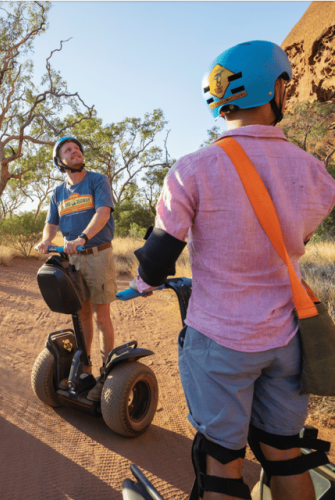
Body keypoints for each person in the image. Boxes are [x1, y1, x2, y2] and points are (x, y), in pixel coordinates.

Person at [132, 41, 335, 500]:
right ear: (276, 90)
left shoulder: (193, 169)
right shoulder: (315, 173)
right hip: (287, 337)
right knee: (285, 451)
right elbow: (296, 240)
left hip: (220, 339)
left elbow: (159, 255)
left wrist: (142, 283)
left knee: (221, 461)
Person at [37, 136, 117, 402]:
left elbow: (102, 213)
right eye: (68, 151)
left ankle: (107, 374)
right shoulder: (58, 193)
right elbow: (52, 223)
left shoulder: (97, 180)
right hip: (72, 260)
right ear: (60, 161)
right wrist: (47, 240)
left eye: (77, 149)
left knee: (100, 315)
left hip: (96, 255)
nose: (75, 152)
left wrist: (82, 237)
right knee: (82, 315)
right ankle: (86, 370)